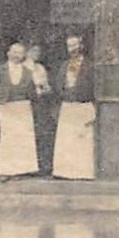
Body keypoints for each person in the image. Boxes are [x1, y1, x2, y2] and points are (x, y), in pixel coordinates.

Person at [51, 35, 96, 180]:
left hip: (83, 106)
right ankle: (65, 172)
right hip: (68, 106)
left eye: (75, 45)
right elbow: (58, 84)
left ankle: (83, 173)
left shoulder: (90, 65)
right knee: (67, 140)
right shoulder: (64, 65)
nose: (73, 49)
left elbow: (95, 86)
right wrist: (64, 93)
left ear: (81, 45)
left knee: (83, 140)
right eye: (69, 46)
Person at [0, 42, 38, 179]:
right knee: (8, 139)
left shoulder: (28, 72)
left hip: (23, 106)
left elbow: (33, 93)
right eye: (14, 52)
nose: (16, 55)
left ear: (24, 55)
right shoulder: (0, 70)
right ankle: (6, 171)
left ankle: (21, 170)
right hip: (6, 106)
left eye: (20, 53)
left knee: (23, 139)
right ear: (8, 53)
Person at [25, 43, 58, 178]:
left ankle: (44, 167)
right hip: (28, 104)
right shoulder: (23, 67)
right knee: (30, 135)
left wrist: (46, 90)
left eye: (38, 51)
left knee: (44, 134)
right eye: (33, 50)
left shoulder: (40, 68)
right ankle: (30, 167)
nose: (36, 53)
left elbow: (47, 86)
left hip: (42, 104)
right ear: (27, 52)